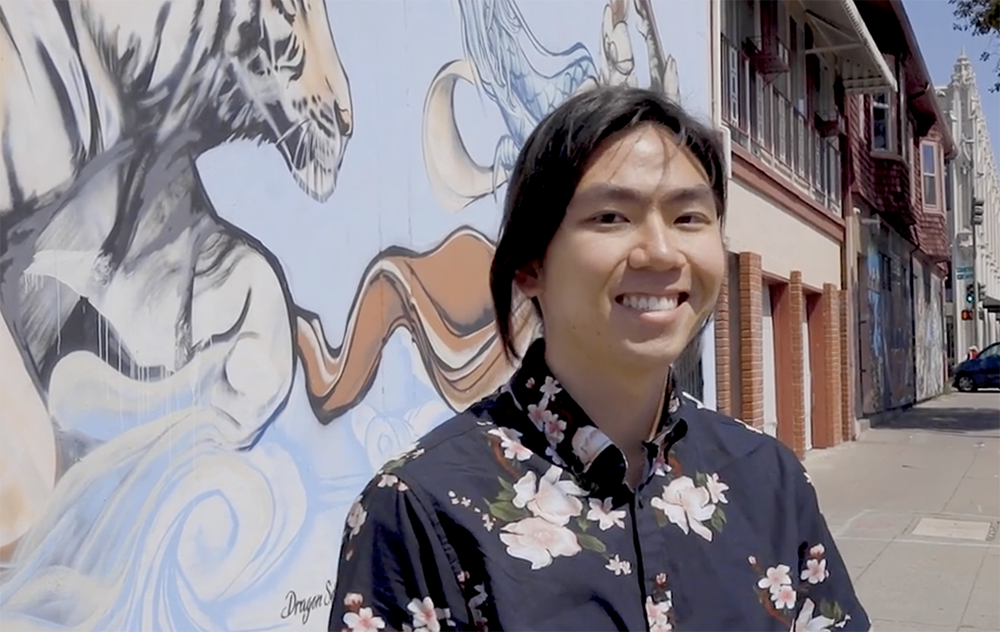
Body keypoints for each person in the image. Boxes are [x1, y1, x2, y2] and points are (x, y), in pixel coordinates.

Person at [328, 86, 868, 631]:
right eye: (611, 217)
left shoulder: (767, 479)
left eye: (688, 218)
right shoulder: (421, 511)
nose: (660, 252)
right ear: (530, 265)